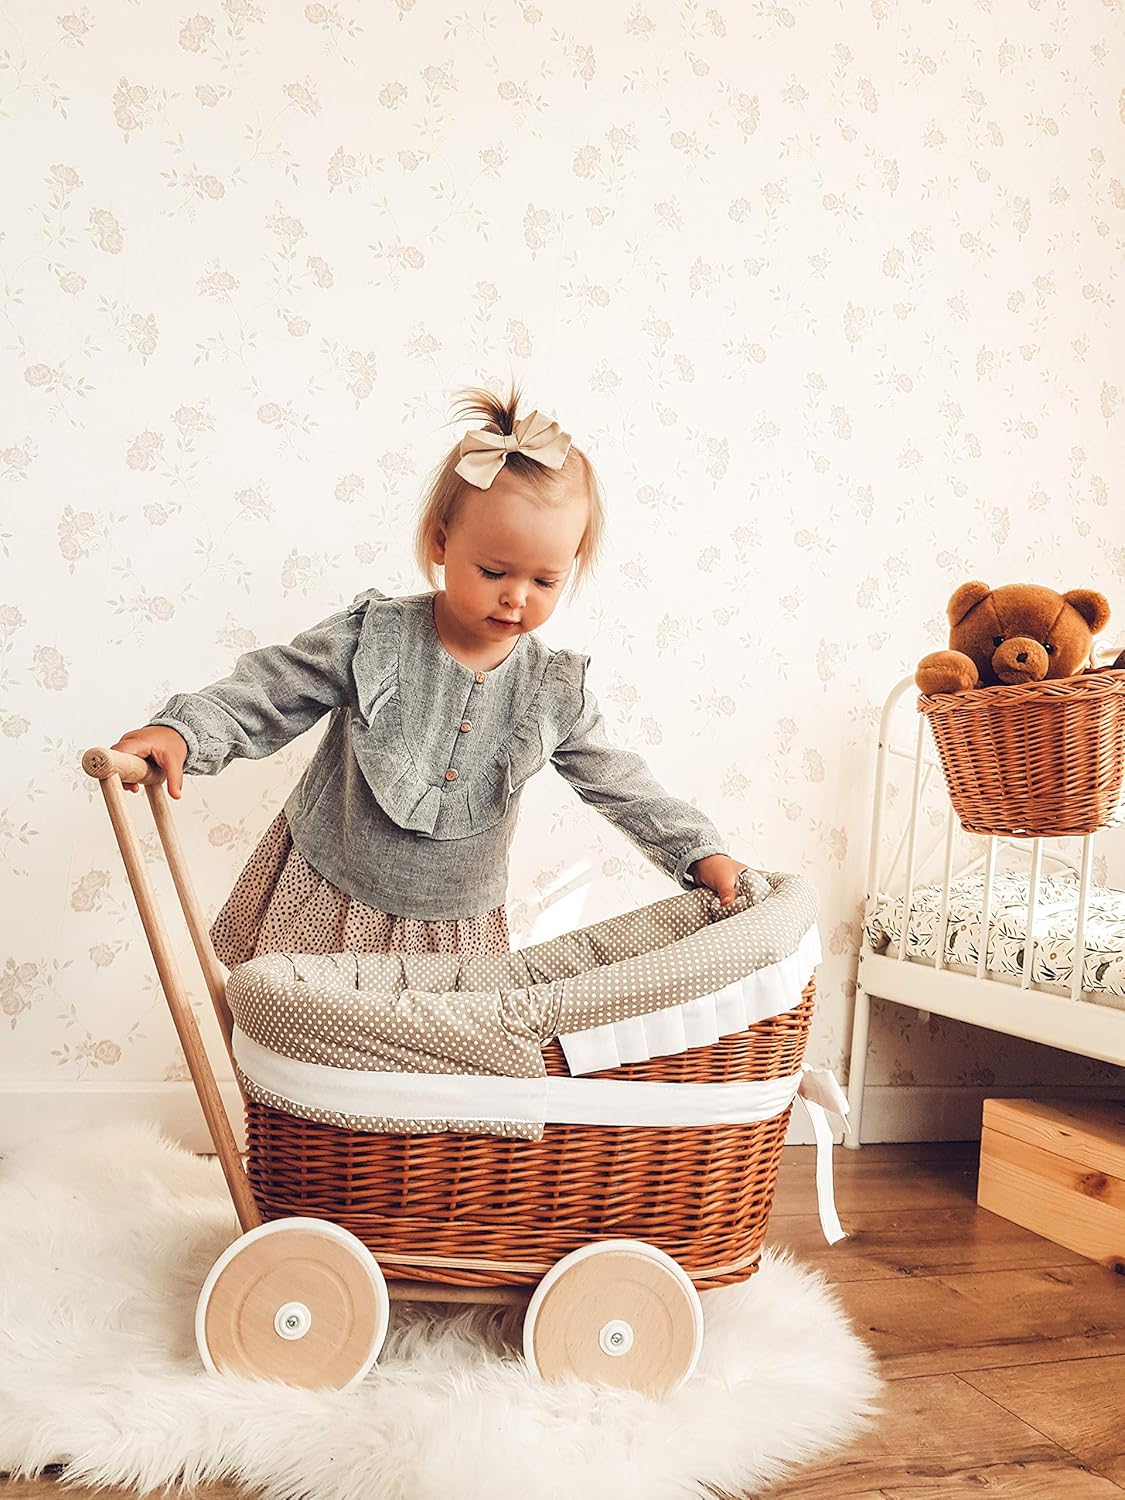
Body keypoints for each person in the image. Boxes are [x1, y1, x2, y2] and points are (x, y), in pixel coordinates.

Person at [112, 387, 749, 968]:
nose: (516, 597)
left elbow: (622, 783)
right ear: (441, 542)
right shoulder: (376, 638)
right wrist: (184, 732)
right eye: (494, 572)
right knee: (294, 1034)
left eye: (545, 580)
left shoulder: (554, 691)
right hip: (327, 895)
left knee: (427, 1053)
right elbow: (272, 689)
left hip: (454, 932)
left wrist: (698, 851)